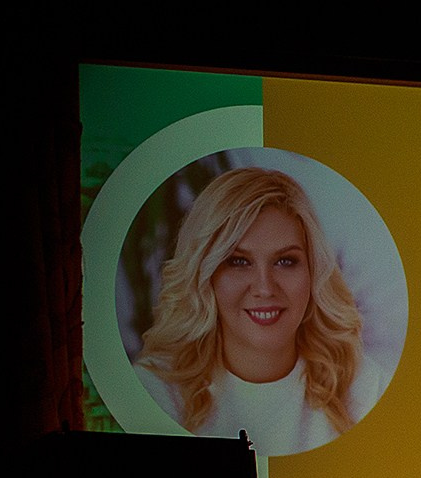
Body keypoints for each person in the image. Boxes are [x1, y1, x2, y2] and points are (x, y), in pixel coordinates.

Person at [134, 165, 383, 457]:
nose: (264, 288)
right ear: (205, 275)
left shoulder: (365, 388)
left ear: (314, 272)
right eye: (239, 261)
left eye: (285, 261)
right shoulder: (155, 390)